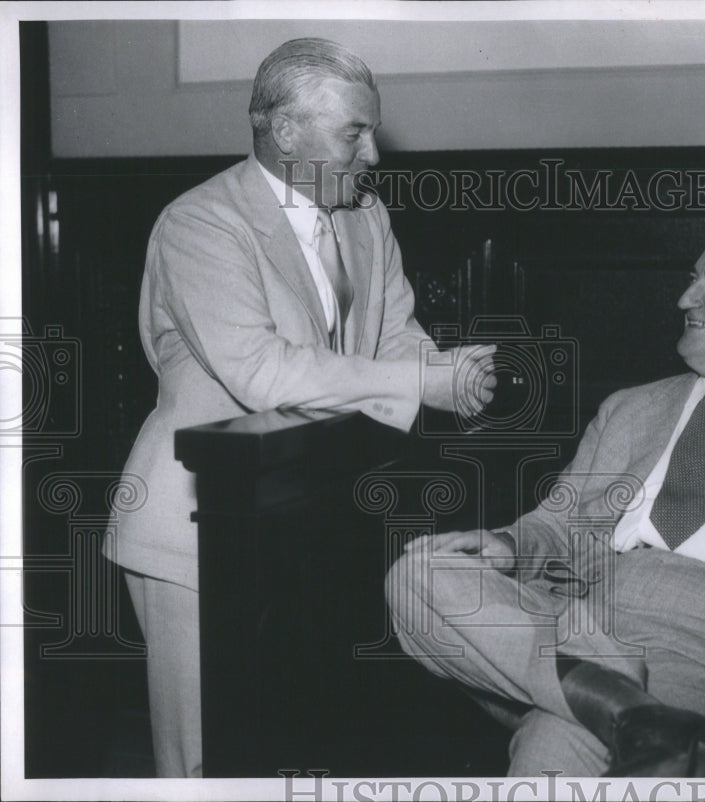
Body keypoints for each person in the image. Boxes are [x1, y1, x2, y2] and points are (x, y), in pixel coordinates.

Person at [386, 223, 705, 777]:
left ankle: (609, 701)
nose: (685, 298)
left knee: (555, 735)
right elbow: (556, 523)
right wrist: (507, 544)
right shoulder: (627, 408)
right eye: (692, 280)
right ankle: (626, 701)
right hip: (578, 623)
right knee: (416, 572)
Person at [105, 38, 495, 777]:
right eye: (355, 132)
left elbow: (393, 339)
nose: (374, 154)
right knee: (202, 765)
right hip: (194, 527)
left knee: (294, 748)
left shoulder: (364, 217)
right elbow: (259, 373)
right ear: (285, 131)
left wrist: (451, 373)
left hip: (309, 522)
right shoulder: (201, 224)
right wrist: (419, 386)